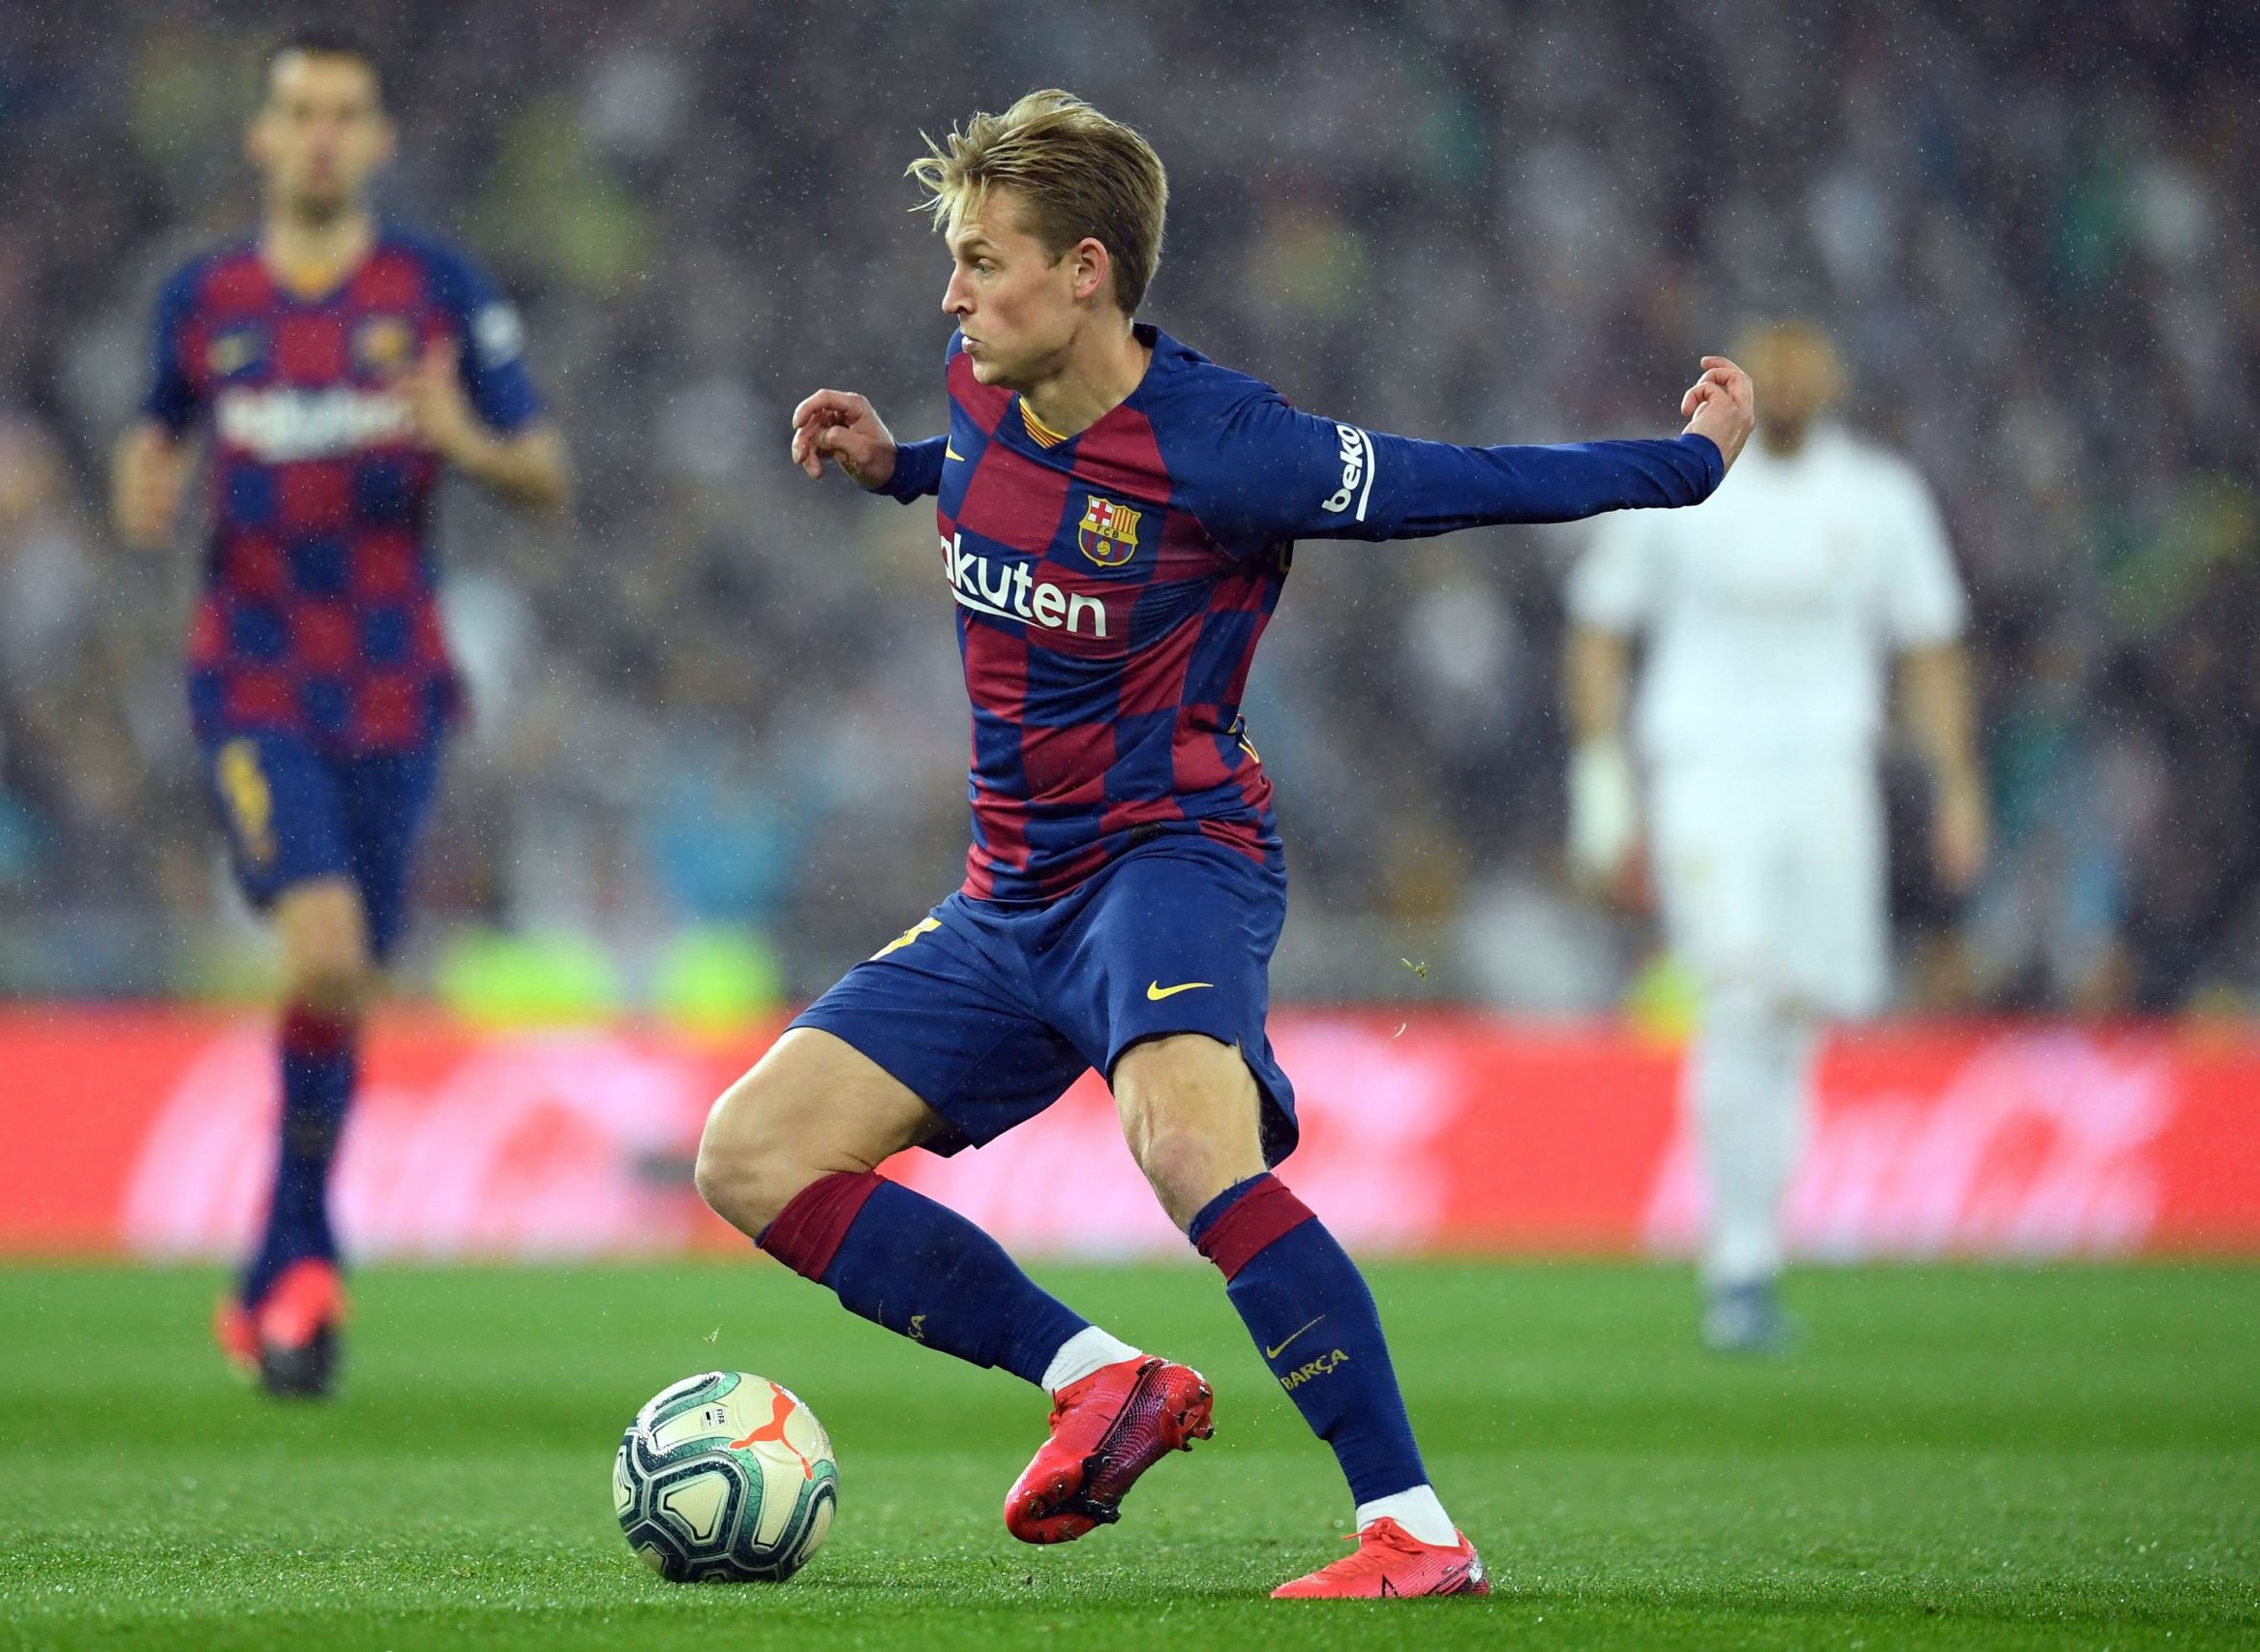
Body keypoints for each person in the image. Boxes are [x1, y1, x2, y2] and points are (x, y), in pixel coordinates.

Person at [693, 89, 1753, 1599]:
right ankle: (1098, 1376)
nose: (953, 293)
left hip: (1166, 864)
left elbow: (1462, 481)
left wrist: (1680, 464)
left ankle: (1418, 1532)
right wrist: (901, 465)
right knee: (750, 1152)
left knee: (1189, 1145)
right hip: (1008, 895)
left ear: (1086, 272)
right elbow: (1005, 483)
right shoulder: (979, 385)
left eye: (985, 260)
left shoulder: (1226, 447)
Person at [111, 27, 571, 1398]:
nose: (319, 136)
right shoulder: (205, 297)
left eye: (344, 115)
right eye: (298, 112)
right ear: (263, 137)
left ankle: (276, 1274)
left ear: (375, 141)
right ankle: (299, 1268)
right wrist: (142, 482)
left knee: (349, 977)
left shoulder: (432, 290)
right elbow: (155, 423)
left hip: (397, 688)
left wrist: (463, 439)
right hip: (253, 680)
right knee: (320, 955)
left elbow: (543, 464)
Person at [1563, 319, 1982, 1354]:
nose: (1789, 378)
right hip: (1704, 769)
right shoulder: (1675, 484)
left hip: (1829, 776)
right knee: (1740, 990)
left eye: (1808, 358)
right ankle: (1736, 1266)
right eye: (1772, 359)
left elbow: (1929, 646)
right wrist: (1601, 781)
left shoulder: (1877, 498)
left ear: (1832, 377)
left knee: (1795, 1017)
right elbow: (1599, 629)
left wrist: (1959, 783)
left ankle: (1753, 1259)